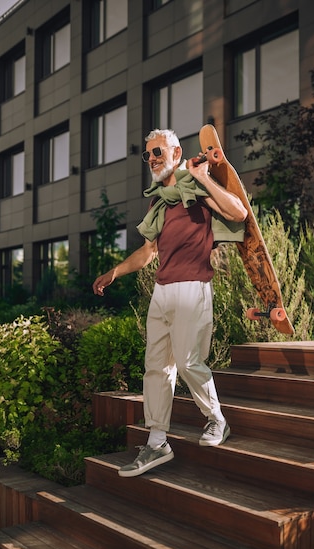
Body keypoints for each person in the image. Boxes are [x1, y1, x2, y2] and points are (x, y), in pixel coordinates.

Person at [92, 128, 247, 477]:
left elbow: (238, 213)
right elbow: (148, 253)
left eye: (158, 152)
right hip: (162, 292)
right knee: (157, 367)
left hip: (193, 287)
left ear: (176, 154)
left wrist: (203, 177)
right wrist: (115, 272)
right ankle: (158, 441)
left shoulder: (194, 187)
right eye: (147, 155)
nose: (152, 160)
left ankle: (217, 420)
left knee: (190, 361)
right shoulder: (159, 200)